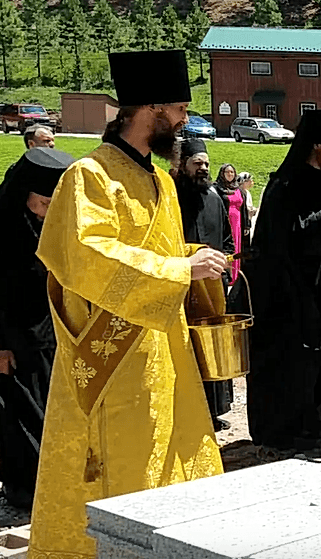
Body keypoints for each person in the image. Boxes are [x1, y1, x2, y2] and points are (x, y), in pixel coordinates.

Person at [28, 49, 226, 558]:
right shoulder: (89, 176)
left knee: (170, 451)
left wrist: (191, 254)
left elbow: (151, 251)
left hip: (164, 347)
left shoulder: (159, 177)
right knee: (124, 464)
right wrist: (180, 270)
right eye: (179, 109)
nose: (185, 121)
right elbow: (87, 256)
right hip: (113, 357)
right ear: (152, 108)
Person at [246, 109, 321, 451]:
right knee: (293, 365)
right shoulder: (287, 184)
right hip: (288, 294)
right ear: (315, 145)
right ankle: (288, 431)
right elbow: (285, 237)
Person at [0, 148, 75, 509]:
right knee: (23, 416)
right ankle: (26, 492)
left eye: (52, 204)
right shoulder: (4, 227)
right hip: (14, 343)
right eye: (41, 204)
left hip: (54, 336)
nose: (46, 212)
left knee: (55, 414)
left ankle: (55, 485)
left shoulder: (53, 225)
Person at [173, 138, 235, 431]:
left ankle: (213, 410)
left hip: (212, 286)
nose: (203, 168)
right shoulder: (169, 197)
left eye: (206, 164)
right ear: (181, 165)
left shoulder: (214, 197)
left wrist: (224, 264)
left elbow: (227, 240)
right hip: (181, 286)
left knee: (211, 347)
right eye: (197, 163)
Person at [215, 163, 250, 284]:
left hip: (237, 223)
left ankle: (236, 276)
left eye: (232, 172)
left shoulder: (239, 190)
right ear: (222, 174)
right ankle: (226, 275)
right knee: (226, 248)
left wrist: (246, 225)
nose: (230, 174)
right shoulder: (217, 189)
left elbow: (243, 208)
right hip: (225, 223)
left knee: (237, 247)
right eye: (227, 172)